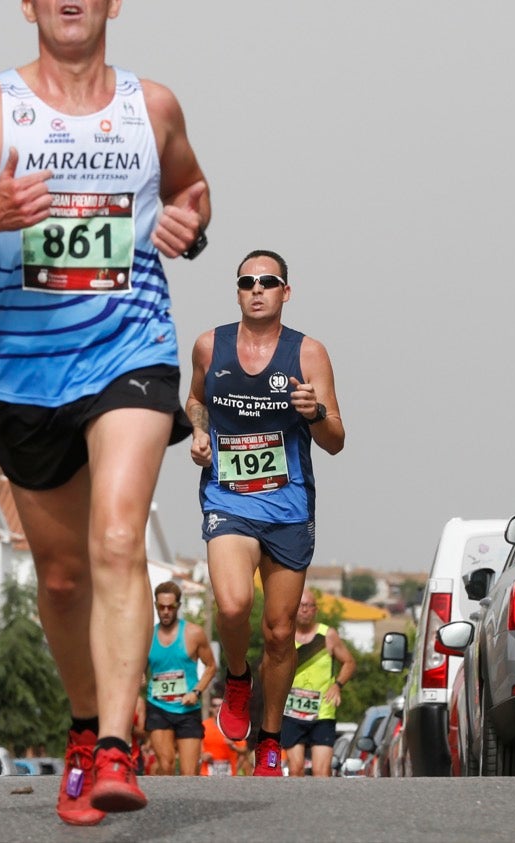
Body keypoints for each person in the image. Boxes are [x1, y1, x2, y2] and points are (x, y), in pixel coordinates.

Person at [0, 0, 209, 827]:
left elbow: (194, 191)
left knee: (119, 539)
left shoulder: (153, 106)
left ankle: (118, 744)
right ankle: (84, 724)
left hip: (133, 352)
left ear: (115, 1)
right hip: (30, 371)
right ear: (28, 4)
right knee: (64, 576)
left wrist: (190, 224)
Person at [188, 250, 345, 778]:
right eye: (247, 282)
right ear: (237, 292)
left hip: (288, 505)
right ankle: (237, 679)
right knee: (232, 606)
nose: (257, 289)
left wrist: (315, 413)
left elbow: (336, 441)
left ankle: (271, 741)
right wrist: (197, 432)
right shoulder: (211, 345)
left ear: (285, 291)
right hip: (228, 499)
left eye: (268, 281)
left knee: (279, 634)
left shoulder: (309, 353)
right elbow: (195, 400)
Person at [141, 580, 217, 776]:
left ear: (178, 606)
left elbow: (211, 666)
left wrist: (196, 691)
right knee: (165, 765)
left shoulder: (193, 633)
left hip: (187, 709)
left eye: (170, 607)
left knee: (188, 773)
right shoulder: (147, 635)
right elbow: (139, 667)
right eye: (161, 607)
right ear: (156, 606)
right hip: (158, 707)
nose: (165, 611)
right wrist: (140, 676)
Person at [281, 590, 357, 777]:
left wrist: (337, 685)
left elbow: (349, 662)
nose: (305, 610)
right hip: (291, 711)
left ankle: (321, 806)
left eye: (309, 606)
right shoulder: (285, 635)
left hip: (322, 712)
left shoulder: (328, 635)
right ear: (294, 609)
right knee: (295, 769)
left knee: (321, 772)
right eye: (301, 606)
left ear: (315, 610)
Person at [197, 696, 235, 776]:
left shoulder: (233, 727)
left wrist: (233, 746)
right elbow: (195, 748)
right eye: (215, 706)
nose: (218, 708)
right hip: (207, 773)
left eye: (221, 706)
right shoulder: (203, 726)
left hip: (229, 775)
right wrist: (202, 756)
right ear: (210, 708)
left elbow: (244, 751)